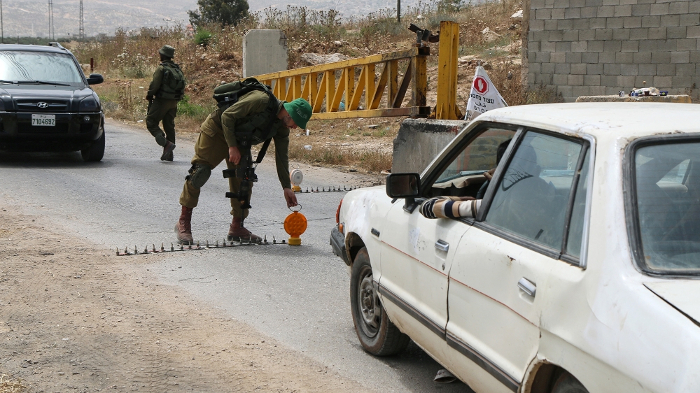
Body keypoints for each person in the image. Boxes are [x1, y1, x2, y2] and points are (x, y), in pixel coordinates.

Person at [174, 85, 312, 245]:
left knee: (244, 179)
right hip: (218, 130)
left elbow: (282, 157)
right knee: (200, 172)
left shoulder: (281, 127)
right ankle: (183, 222)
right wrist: (232, 146)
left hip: (240, 141)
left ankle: (237, 227)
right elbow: (227, 117)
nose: (295, 127)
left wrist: (286, 187)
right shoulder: (261, 101)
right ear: (289, 113)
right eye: (296, 122)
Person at [146, 45, 185, 161]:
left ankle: (166, 144)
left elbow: (155, 84)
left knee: (151, 122)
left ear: (162, 55)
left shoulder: (161, 68)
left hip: (162, 100)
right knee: (169, 126)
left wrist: (149, 94)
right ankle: (169, 154)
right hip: (174, 101)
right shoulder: (176, 68)